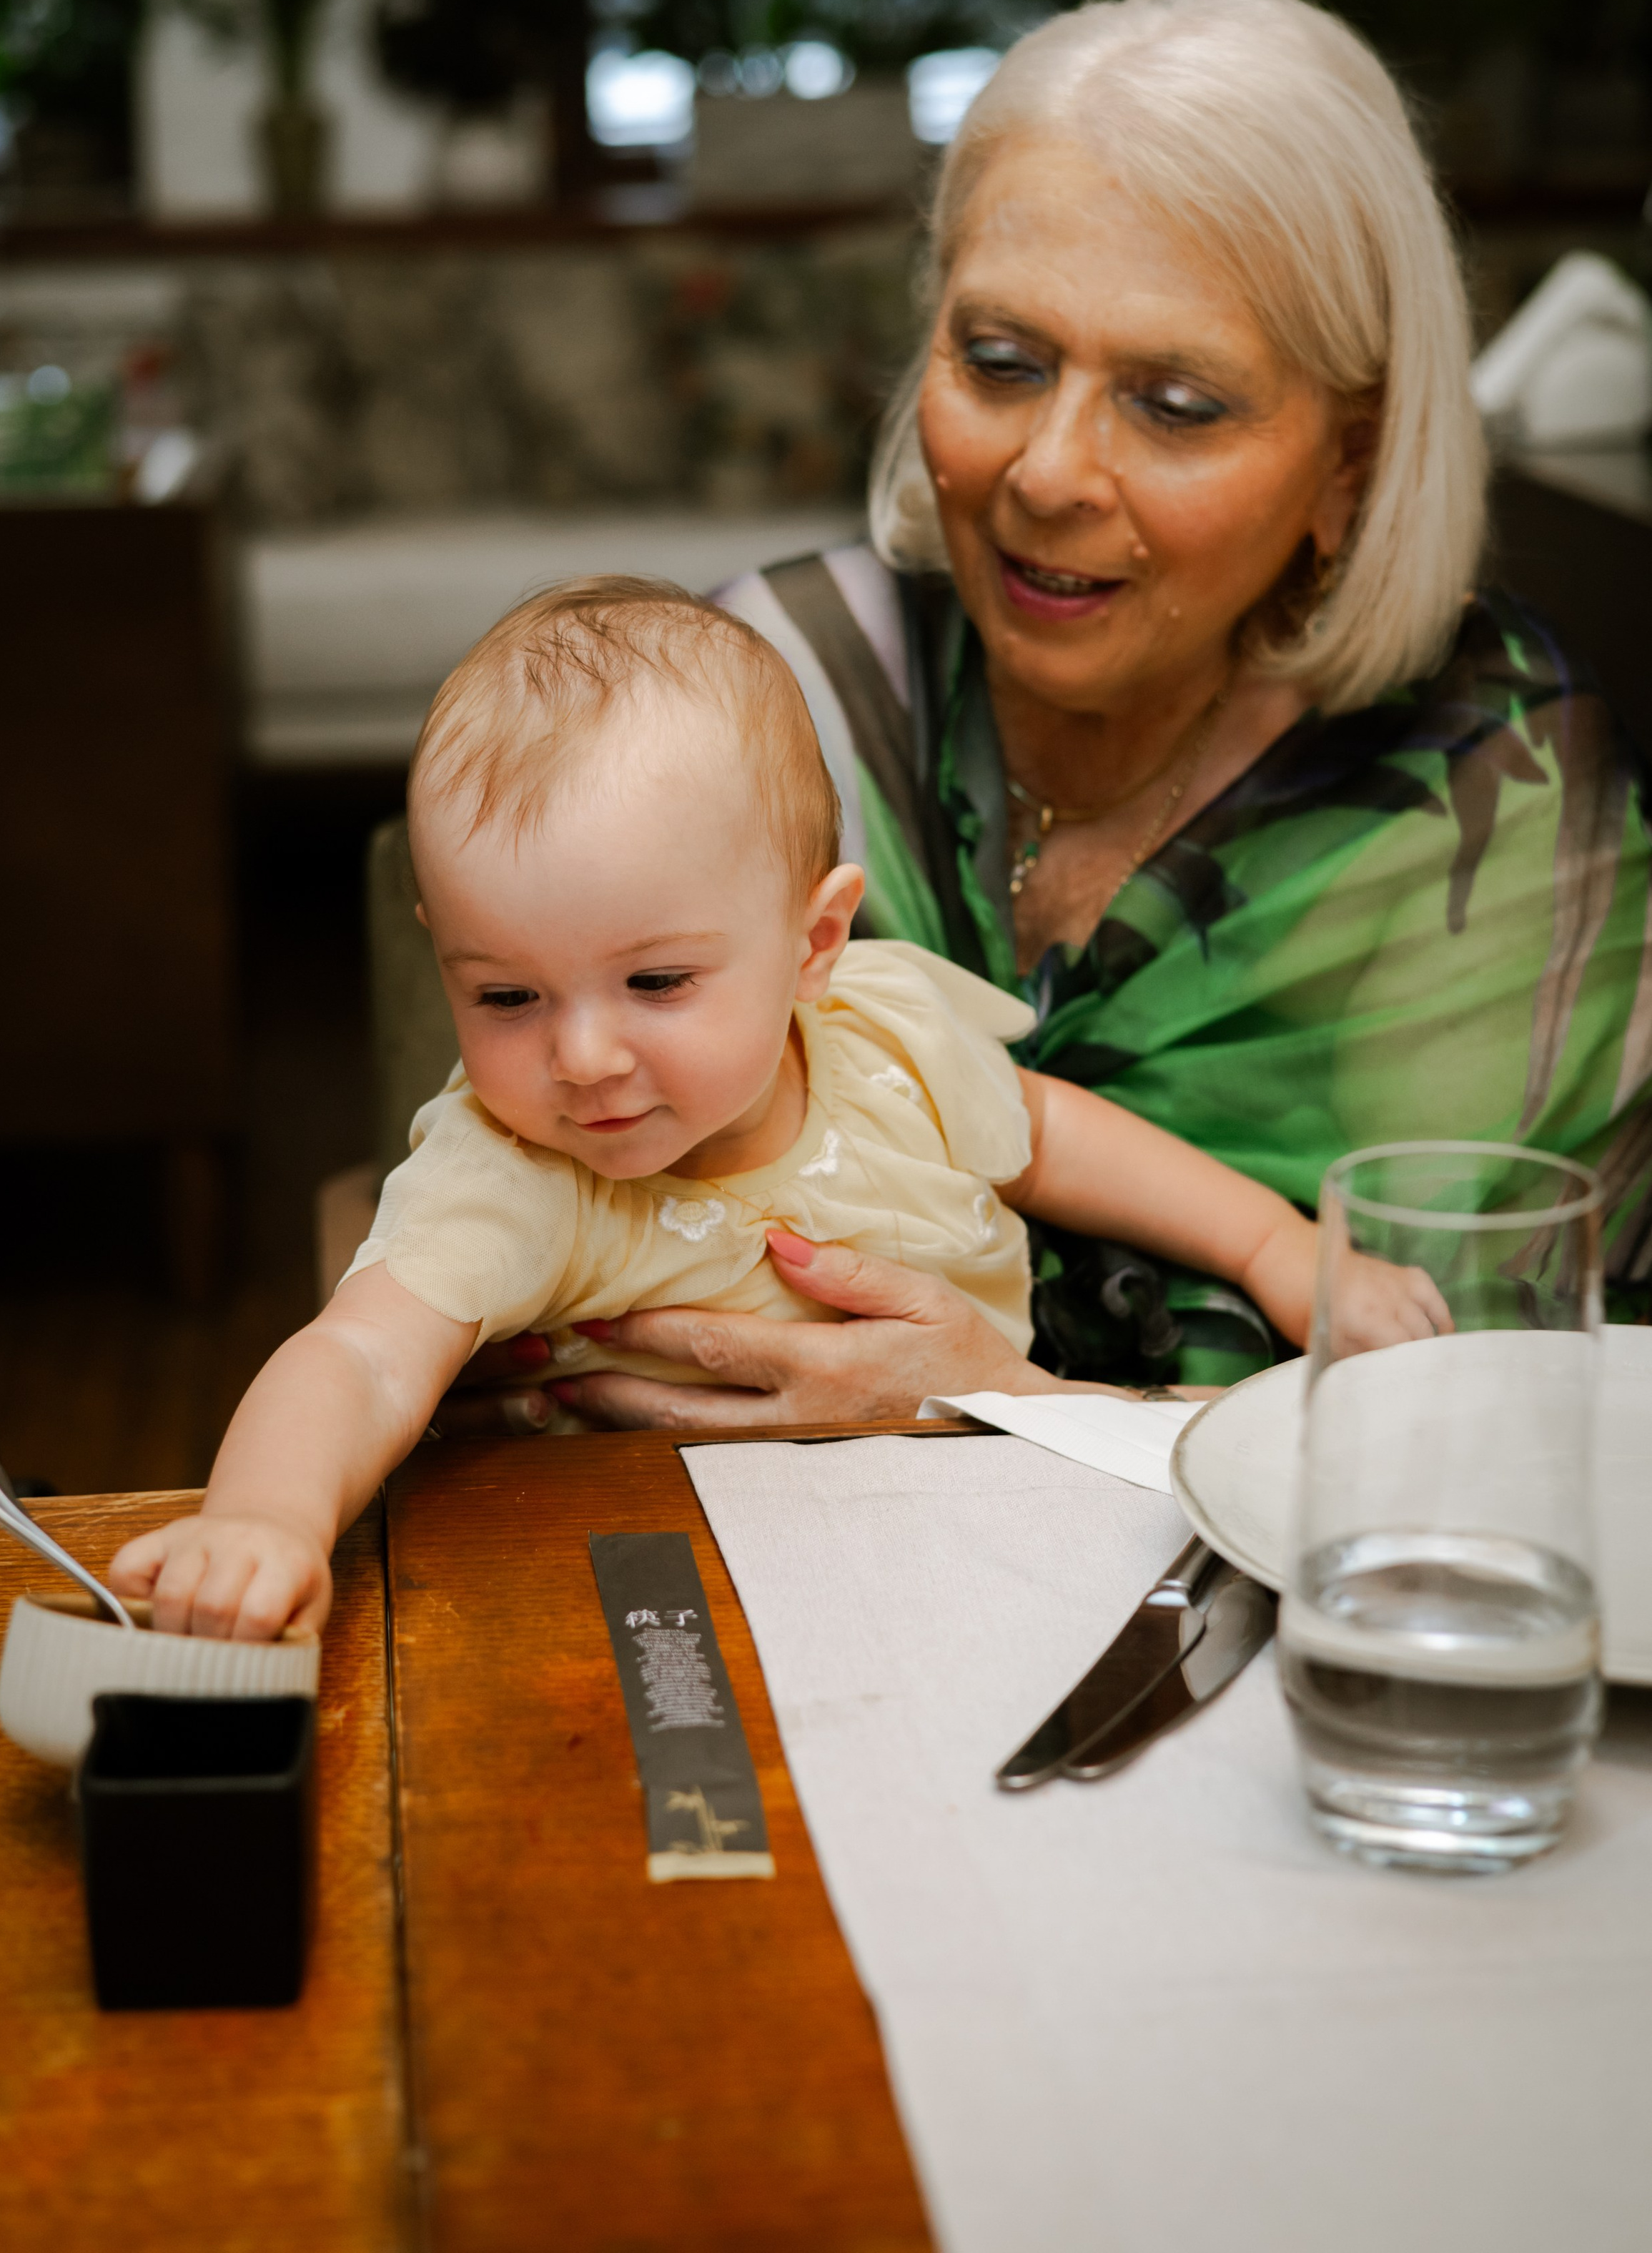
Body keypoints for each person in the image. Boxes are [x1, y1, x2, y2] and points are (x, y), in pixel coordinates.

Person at [500, 0, 1652, 1435]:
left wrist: (987, 1405)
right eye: (999, 361)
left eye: (1174, 403)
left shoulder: (1483, 798)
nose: (1045, 472)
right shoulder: (775, 695)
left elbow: (1468, 1414)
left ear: (1348, 468)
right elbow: (548, 1261)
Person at [109, 580, 1441, 1641]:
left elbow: (1055, 1135)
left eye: (656, 981)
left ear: (813, 945)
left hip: (994, 1546)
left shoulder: (889, 1030)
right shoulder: (519, 1174)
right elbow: (359, 1357)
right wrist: (268, 1519)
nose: (581, 1058)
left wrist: (1278, 1249)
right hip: (662, 1598)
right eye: (507, 996)